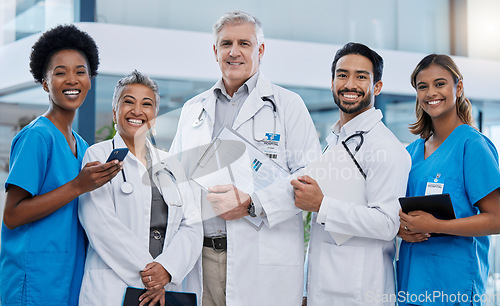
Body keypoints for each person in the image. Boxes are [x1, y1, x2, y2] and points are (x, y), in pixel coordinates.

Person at [170, 11, 321, 306]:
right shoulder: (193, 109)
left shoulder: (288, 105)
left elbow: (309, 177)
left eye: (244, 43)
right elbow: (177, 178)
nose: (234, 51)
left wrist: (252, 203)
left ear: (260, 50)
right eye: (226, 43)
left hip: (262, 259)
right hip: (201, 257)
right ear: (215, 51)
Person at [0, 24, 122, 305]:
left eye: (80, 71)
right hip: (34, 280)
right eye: (60, 72)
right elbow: (13, 215)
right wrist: (78, 186)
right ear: (45, 83)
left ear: (90, 80)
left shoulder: (81, 145)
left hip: (68, 278)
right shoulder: (37, 137)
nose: (72, 80)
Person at [291, 42, 411, 305]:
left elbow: (387, 223)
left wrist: (321, 205)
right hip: (322, 289)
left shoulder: (386, 148)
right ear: (332, 82)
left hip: (362, 291)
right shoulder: (334, 141)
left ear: (376, 86)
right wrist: (305, 290)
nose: (350, 84)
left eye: (361, 76)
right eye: (342, 75)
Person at [78, 70, 203, 305]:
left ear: (154, 117)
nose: (137, 111)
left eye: (147, 104)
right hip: (114, 288)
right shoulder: (97, 155)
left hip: (165, 289)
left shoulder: (171, 164)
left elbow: (193, 225)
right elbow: (100, 223)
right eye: (128, 102)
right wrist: (151, 276)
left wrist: (168, 269)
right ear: (115, 112)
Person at [397, 54, 500, 305]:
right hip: (409, 285)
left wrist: (437, 225)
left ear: (459, 87)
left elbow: (497, 219)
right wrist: (400, 228)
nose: (431, 92)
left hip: (454, 287)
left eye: (440, 83)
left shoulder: (471, 145)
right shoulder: (410, 153)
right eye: (423, 86)